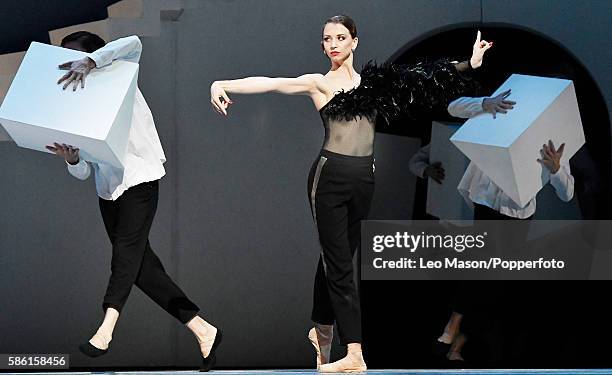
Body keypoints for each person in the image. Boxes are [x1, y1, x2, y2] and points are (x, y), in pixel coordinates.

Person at [210, 15, 491, 372]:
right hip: (329, 177)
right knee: (341, 264)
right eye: (327, 39)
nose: (334, 44)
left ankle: (321, 329)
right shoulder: (319, 84)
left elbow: (422, 77)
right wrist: (223, 83)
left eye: (341, 37)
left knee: (335, 257)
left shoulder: (374, 84)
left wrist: (469, 63)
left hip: (363, 179)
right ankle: (354, 353)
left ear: (355, 42)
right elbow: (271, 83)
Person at [46, 31, 222, 371]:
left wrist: (93, 61)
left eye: (75, 56)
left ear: (92, 56)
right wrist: (71, 160)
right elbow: (84, 170)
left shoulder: (119, 72)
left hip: (139, 178)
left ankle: (106, 328)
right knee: (143, 270)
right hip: (108, 190)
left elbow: (133, 43)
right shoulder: (76, 101)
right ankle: (203, 329)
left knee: (125, 257)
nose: (69, 64)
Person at [434, 92, 574, 362]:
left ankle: (457, 337)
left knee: (493, 281)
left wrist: (556, 169)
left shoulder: (553, 138)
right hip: (486, 203)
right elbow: (453, 107)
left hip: (516, 215)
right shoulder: (502, 111)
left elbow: (568, 193)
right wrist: (484, 103)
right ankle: (455, 332)